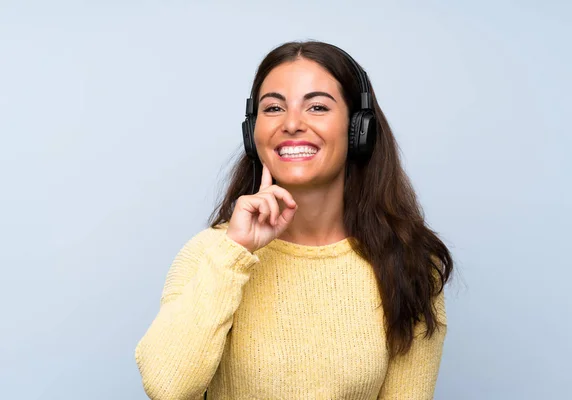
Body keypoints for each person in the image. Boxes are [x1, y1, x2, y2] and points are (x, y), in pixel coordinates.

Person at [135, 40, 454, 400]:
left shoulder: (408, 264)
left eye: (317, 106)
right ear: (253, 133)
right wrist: (235, 251)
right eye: (273, 108)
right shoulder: (211, 255)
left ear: (358, 129)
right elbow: (167, 386)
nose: (291, 124)